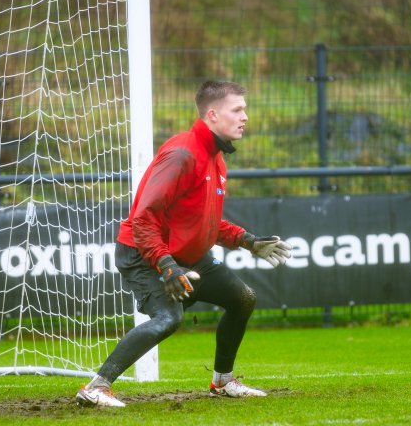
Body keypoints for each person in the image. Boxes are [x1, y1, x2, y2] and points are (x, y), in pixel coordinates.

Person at [77, 80, 291, 408]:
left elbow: (203, 222)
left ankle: (222, 382)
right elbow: (143, 218)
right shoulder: (182, 153)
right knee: (168, 319)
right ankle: (96, 386)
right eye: (238, 109)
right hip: (143, 253)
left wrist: (246, 241)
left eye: (244, 109)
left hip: (187, 255)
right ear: (213, 114)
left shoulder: (216, 159)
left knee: (243, 299)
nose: (245, 116)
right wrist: (166, 265)